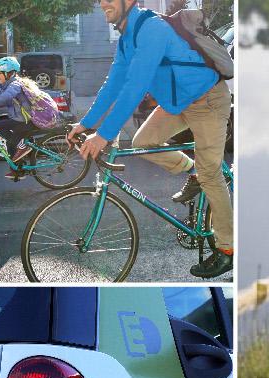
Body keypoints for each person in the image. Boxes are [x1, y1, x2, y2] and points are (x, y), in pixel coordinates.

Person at [71, 0, 235, 278]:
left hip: (207, 100)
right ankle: (191, 170)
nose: (103, 3)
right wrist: (86, 123)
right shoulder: (127, 37)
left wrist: (104, 135)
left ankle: (227, 250)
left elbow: (135, 87)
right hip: (178, 103)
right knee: (141, 143)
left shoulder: (152, 30)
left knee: (212, 174)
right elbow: (114, 84)